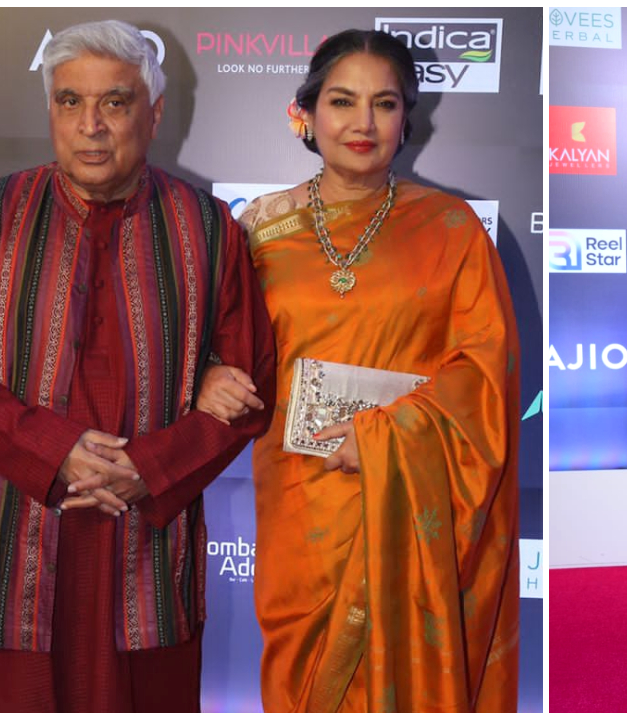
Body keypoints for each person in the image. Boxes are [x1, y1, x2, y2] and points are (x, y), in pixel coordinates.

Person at [0, 20, 277, 712]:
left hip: (149, 553)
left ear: (155, 113)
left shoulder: (208, 229)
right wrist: (56, 451)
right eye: (70, 102)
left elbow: (248, 385)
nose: (92, 126)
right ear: (50, 111)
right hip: (14, 539)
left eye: (116, 102)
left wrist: (152, 467)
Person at [194, 29, 521, 712]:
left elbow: (487, 371)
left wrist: (386, 437)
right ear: (305, 114)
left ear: (409, 118)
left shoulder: (453, 228)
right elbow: (224, 347)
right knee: (303, 669)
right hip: (302, 501)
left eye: (385, 103)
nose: (363, 123)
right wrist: (211, 374)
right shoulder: (257, 229)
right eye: (342, 101)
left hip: (411, 494)